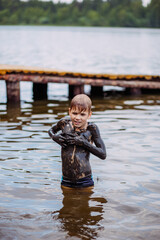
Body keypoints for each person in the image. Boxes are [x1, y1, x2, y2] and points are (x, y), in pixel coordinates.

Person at [48, 94, 106, 188]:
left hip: (85, 180)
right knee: (67, 201)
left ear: (89, 114)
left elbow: (103, 154)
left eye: (82, 114)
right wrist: (54, 137)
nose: (78, 118)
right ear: (69, 111)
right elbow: (50, 130)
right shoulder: (64, 124)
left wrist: (84, 143)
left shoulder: (92, 129)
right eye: (74, 113)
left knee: (84, 202)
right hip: (66, 179)